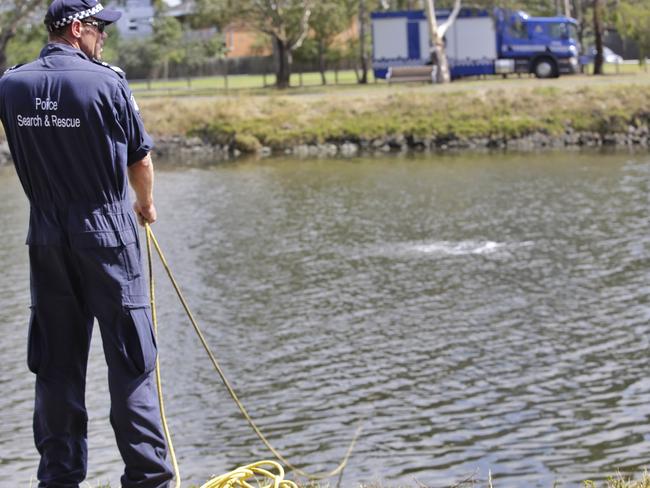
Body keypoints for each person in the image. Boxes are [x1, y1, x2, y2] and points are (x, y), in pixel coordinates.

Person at [0, 0, 173, 486]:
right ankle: (148, 479)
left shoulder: (10, 85)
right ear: (77, 29)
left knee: (55, 366)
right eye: (100, 30)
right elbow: (140, 161)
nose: (104, 39)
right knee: (132, 361)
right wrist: (146, 205)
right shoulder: (109, 82)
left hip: (47, 237)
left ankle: (59, 479)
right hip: (107, 235)